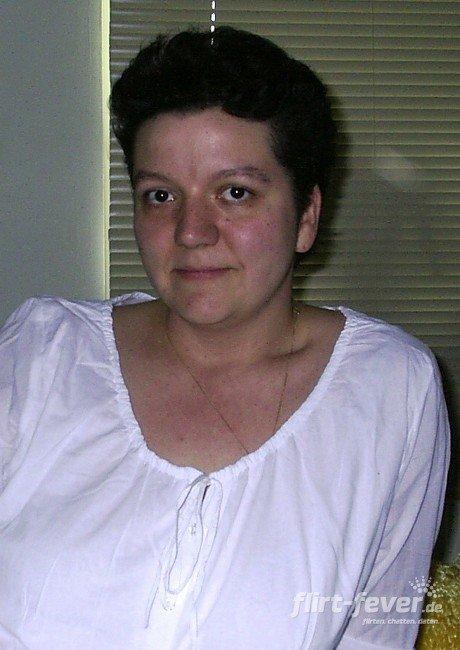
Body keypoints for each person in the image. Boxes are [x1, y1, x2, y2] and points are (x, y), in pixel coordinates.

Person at [0, 26, 450, 650]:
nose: (191, 231)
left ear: (306, 216)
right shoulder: (43, 354)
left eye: (235, 193)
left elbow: (376, 633)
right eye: (160, 195)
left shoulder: (391, 389)